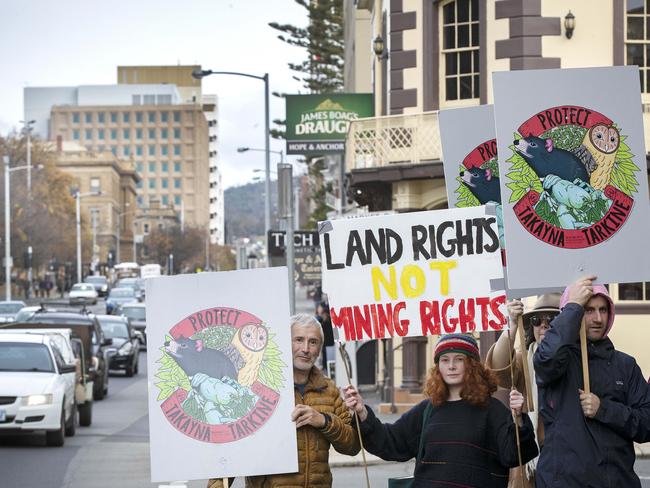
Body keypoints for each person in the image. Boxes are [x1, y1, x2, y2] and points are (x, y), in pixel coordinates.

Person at [344, 333, 538, 487]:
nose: (451, 366)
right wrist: (362, 412)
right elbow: (392, 441)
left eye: (459, 359)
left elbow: (514, 454)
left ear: (472, 365)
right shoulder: (427, 410)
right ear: (438, 367)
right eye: (445, 360)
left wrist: (519, 418)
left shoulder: (492, 410)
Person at [207, 314, 360, 488]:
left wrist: (324, 421)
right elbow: (233, 449)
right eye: (299, 340)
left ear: (319, 349)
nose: (305, 349)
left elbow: (352, 446)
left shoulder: (329, 390)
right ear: (286, 343)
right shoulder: (258, 388)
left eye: (313, 342)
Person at [534, 276, 650, 487]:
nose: (597, 318)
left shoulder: (626, 365)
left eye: (603, 310)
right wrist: (574, 305)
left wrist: (604, 410)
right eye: (588, 310)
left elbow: (647, 423)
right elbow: (547, 358)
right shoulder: (559, 362)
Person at [485, 294, 560, 488]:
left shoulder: (575, 360)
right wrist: (511, 324)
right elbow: (498, 368)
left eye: (552, 319)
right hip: (530, 457)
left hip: (565, 455)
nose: (544, 325)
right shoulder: (524, 361)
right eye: (536, 320)